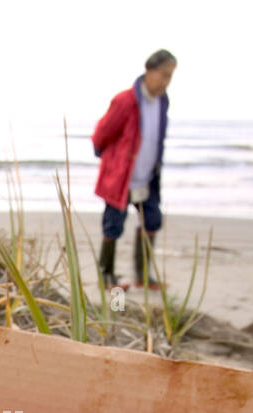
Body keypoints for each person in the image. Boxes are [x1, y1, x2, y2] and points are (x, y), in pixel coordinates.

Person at [92, 49, 176, 291]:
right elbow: (101, 135)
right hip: (121, 178)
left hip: (147, 178)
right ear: (149, 71)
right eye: (164, 75)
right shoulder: (125, 101)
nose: (166, 81)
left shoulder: (162, 102)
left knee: (152, 220)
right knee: (113, 224)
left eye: (170, 77)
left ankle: (142, 276)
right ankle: (106, 277)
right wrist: (111, 161)